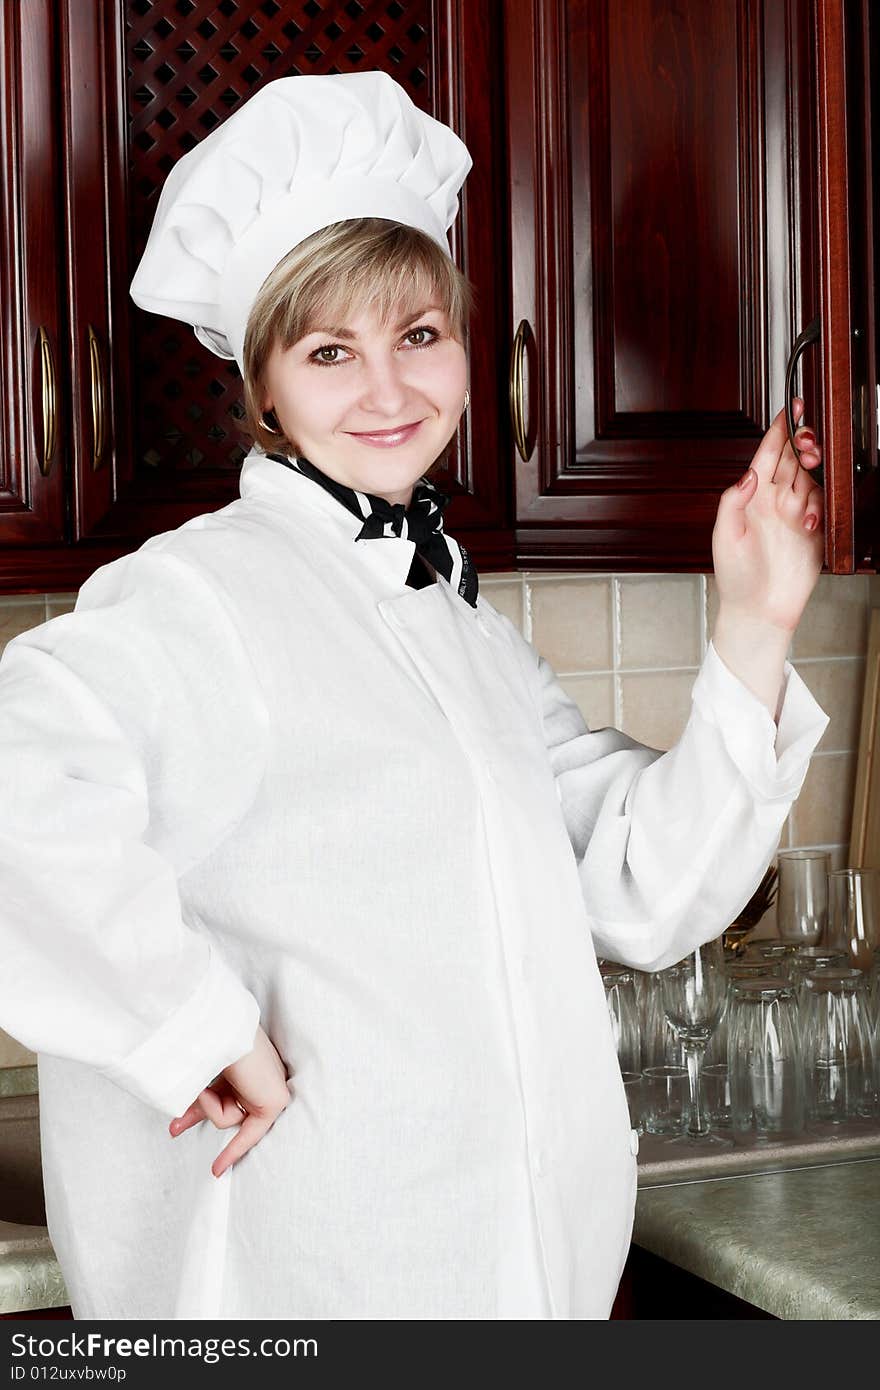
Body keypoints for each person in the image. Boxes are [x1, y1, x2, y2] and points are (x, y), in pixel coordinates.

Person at [0, 71, 828, 1321]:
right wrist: (190, 1027)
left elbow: (645, 893)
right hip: (316, 1285)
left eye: (418, 336)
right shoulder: (203, 597)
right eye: (330, 351)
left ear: (464, 347)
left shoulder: (461, 630)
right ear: (264, 388)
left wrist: (756, 622)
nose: (389, 392)